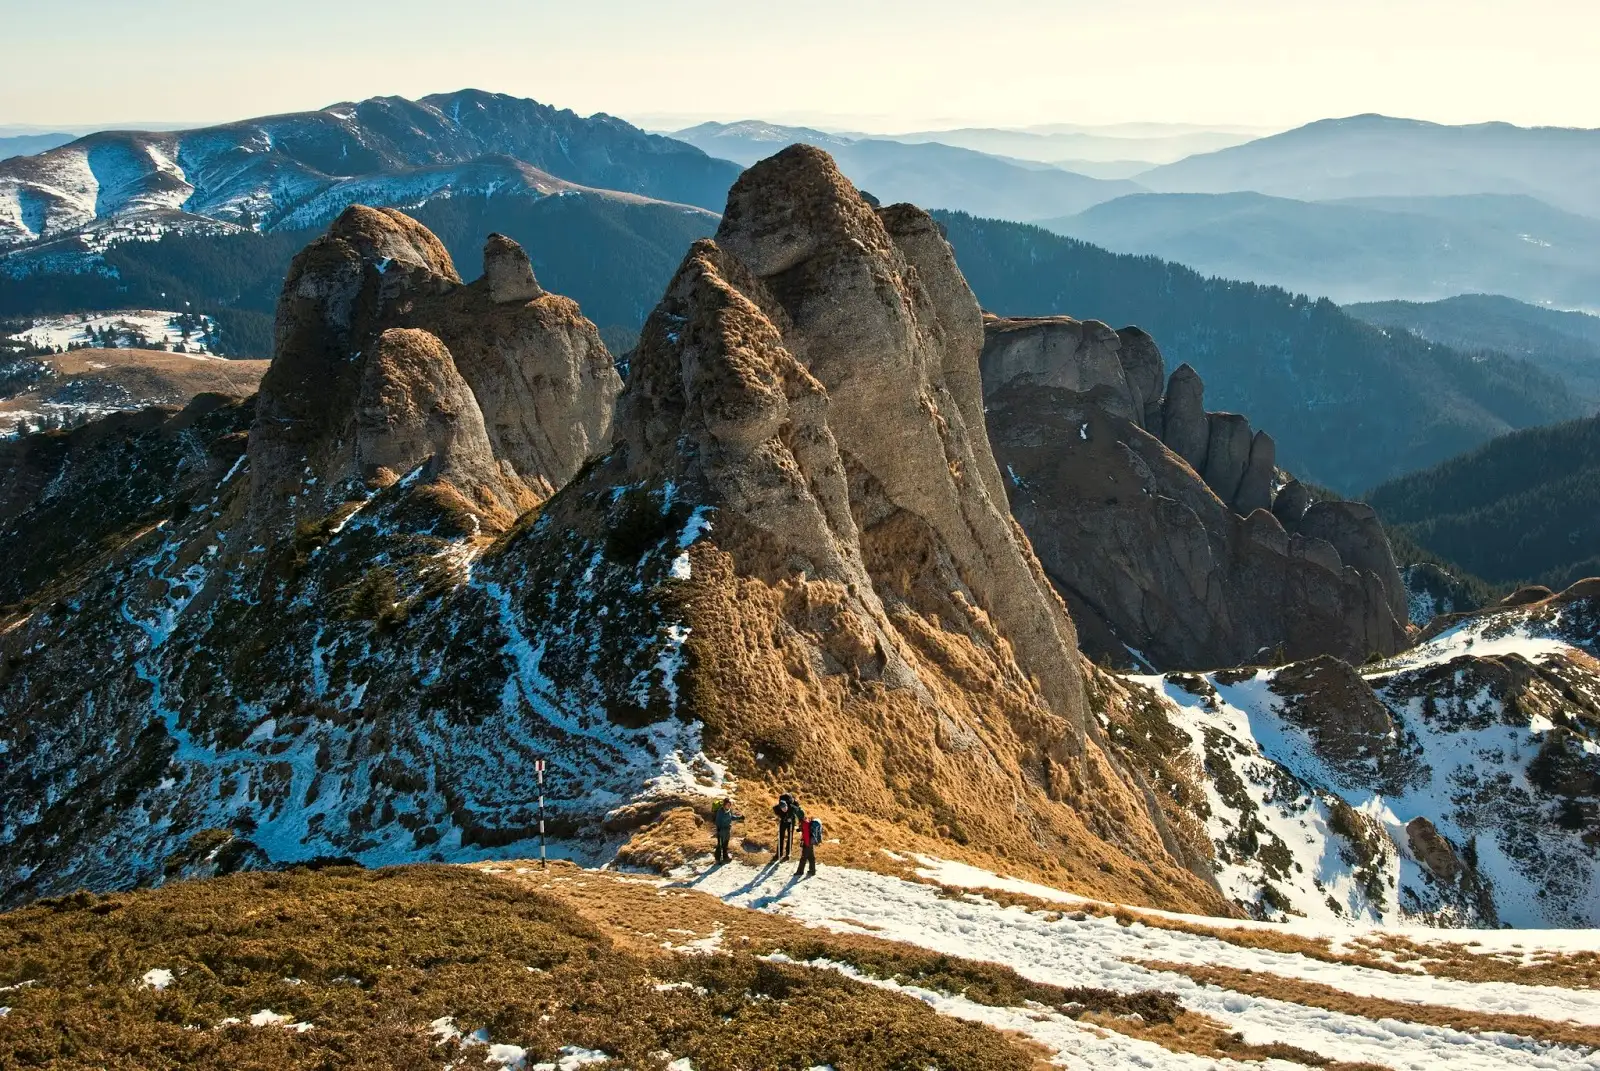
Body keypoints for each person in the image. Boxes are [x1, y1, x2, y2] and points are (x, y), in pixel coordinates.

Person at [712, 798, 743, 864]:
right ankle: (717, 859)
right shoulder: (720, 812)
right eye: (727, 804)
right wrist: (718, 829)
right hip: (721, 831)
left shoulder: (729, 811)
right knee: (720, 845)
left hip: (727, 830)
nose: (729, 806)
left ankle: (725, 857)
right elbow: (717, 821)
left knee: (725, 845)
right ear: (724, 805)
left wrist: (739, 818)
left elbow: (731, 817)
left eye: (730, 804)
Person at [795, 813, 821, 878]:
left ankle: (800, 871)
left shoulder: (805, 824)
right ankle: (812, 870)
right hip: (810, 843)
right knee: (811, 857)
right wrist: (800, 829)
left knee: (803, 858)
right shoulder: (806, 821)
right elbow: (806, 831)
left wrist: (805, 843)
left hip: (807, 843)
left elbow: (806, 835)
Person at [773, 794, 798, 860]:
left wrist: (791, 817)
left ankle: (788, 853)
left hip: (791, 822)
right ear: (780, 808)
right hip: (783, 821)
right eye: (783, 809)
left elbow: (797, 810)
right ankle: (779, 853)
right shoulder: (777, 808)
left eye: (785, 808)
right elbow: (776, 811)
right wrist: (781, 817)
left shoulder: (792, 807)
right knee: (781, 836)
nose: (785, 809)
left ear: (787, 805)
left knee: (790, 836)